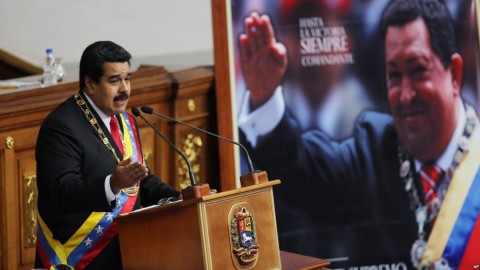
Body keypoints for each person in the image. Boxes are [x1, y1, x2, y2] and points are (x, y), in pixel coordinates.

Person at [238, 0, 479, 268]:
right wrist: (265, 98)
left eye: (418, 70)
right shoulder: (375, 148)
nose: (406, 94)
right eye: (394, 75)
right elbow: (300, 170)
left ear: (455, 74)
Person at [34, 41, 181, 269]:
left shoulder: (125, 120)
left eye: (127, 78)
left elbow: (137, 181)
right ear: (90, 84)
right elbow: (62, 191)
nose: (125, 89)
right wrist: (112, 184)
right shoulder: (61, 127)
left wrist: (179, 198)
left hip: (130, 252)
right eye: (115, 80)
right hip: (81, 260)